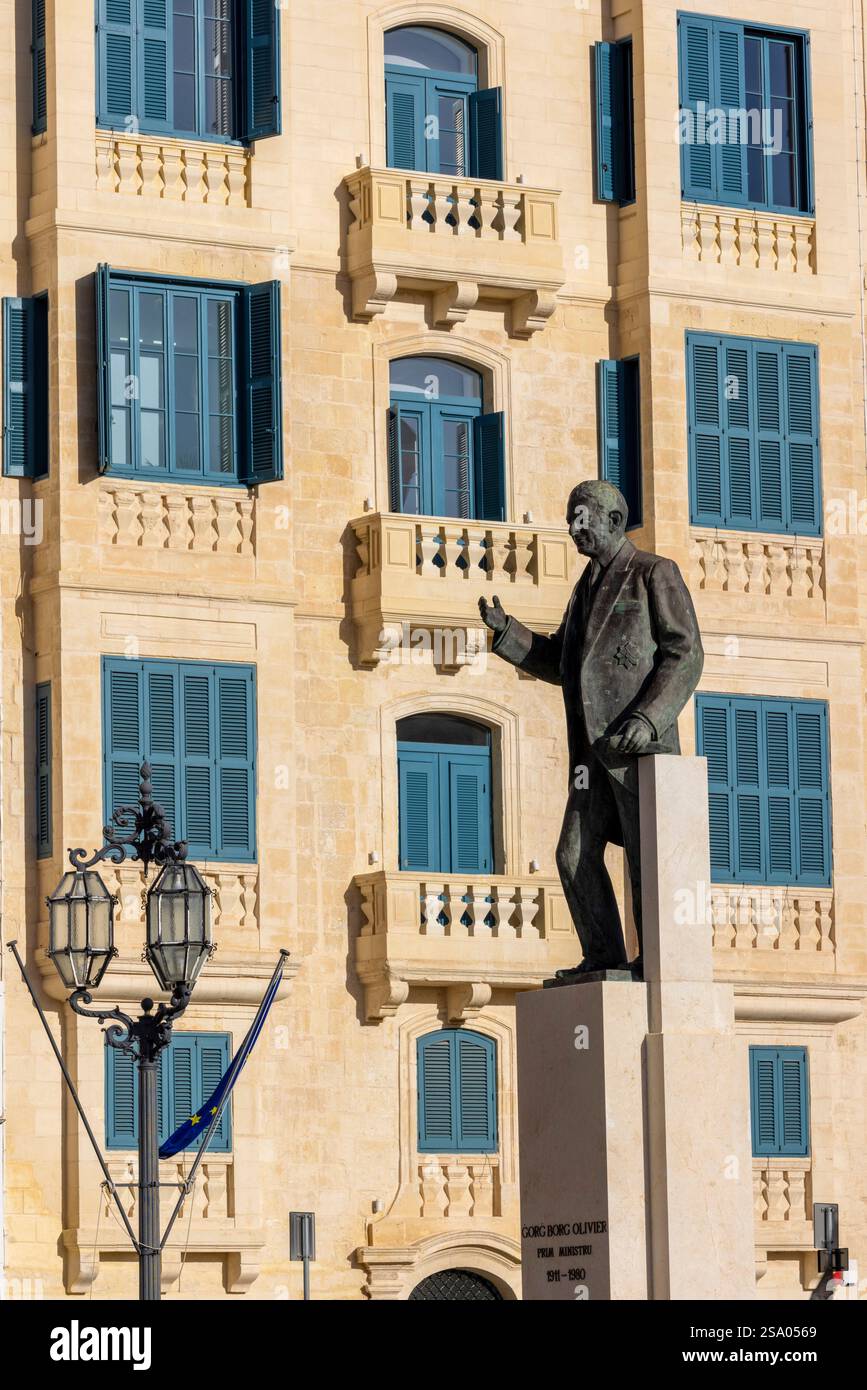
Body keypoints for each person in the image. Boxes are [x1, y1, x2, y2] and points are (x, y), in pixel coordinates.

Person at [478, 480, 704, 981]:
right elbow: (564, 661)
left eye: (581, 518)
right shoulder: (586, 586)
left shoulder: (653, 573)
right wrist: (507, 633)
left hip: (638, 747)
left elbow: (685, 652)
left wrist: (648, 719)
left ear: (614, 522)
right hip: (592, 752)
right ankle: (604, 955)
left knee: (648, 859)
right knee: (573, 853)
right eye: (570, 520)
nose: (574, 529)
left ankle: (659, 961)